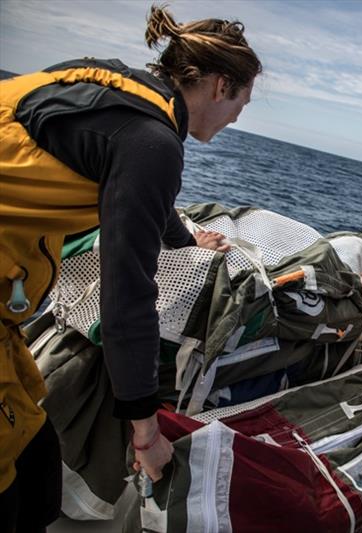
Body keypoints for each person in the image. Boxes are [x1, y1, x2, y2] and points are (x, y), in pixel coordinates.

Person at [0, 6, 261, 530]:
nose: (237, 117)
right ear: (219, 86)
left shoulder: (111, 88)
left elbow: (139, 195)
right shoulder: (152, 142)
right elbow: (127, 296)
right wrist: (145, 431)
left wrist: (187, 240)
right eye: (242, 102)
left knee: (37, 481)